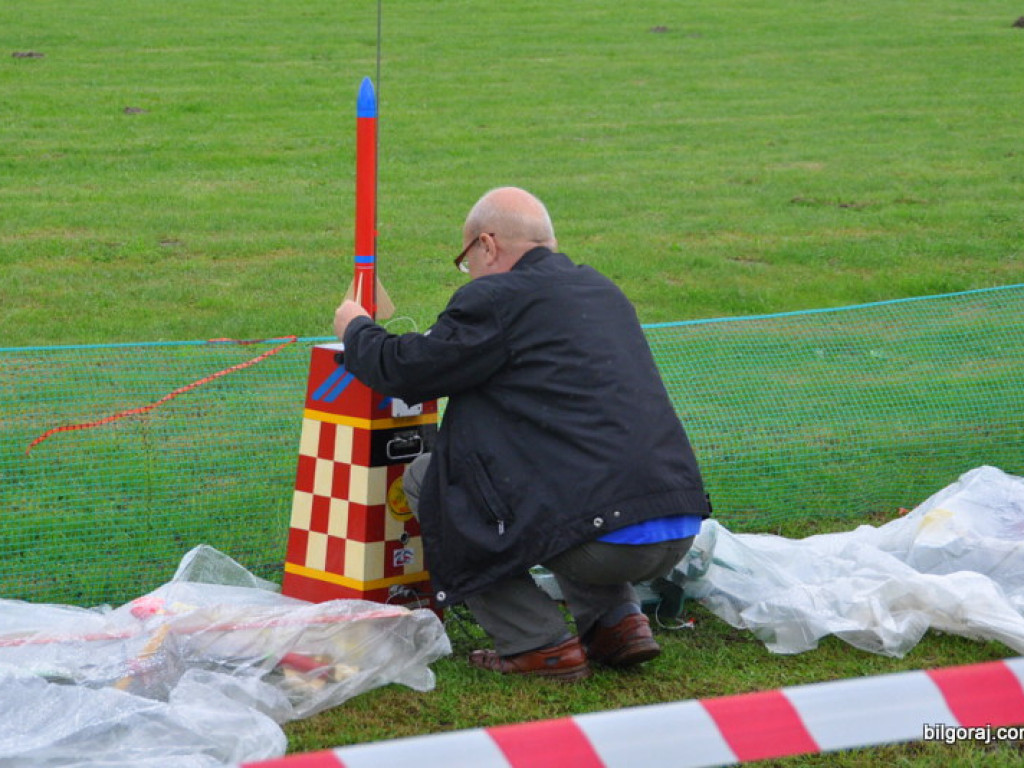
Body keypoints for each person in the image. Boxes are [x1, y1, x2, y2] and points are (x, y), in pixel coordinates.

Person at [333, 187, 710, 681]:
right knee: (563, 476)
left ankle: (538, 645)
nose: (468, 273)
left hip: (606, 542)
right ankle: (618, 623)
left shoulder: (495, 298)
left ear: (486, 245)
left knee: (434, 479)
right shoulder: (601, 290)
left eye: (465, 260)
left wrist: (357, 329)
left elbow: (410, 371)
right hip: (677, 520)